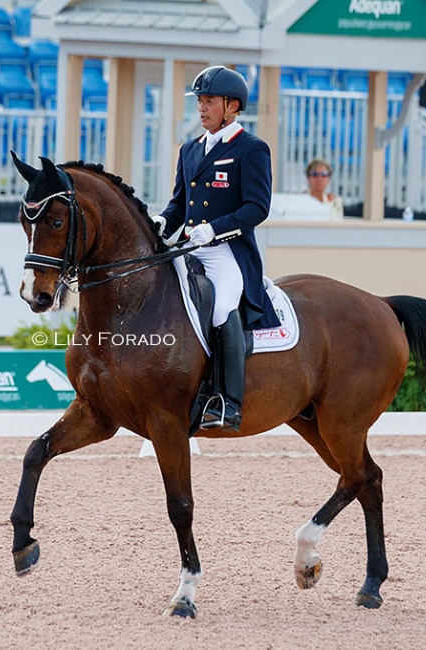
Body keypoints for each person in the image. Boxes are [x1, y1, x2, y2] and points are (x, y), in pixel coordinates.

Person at [152, 65, 280, 431]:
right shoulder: (190, 149)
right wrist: (163, 222)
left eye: (209, 101)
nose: (202, 108)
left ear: (232, 106)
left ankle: (228, 402)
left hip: (228, 250)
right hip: (191, 247)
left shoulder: (251, 149)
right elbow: (180, 204)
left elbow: (257, 207)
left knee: (222, 307)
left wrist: (215, 229)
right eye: (200, 101)